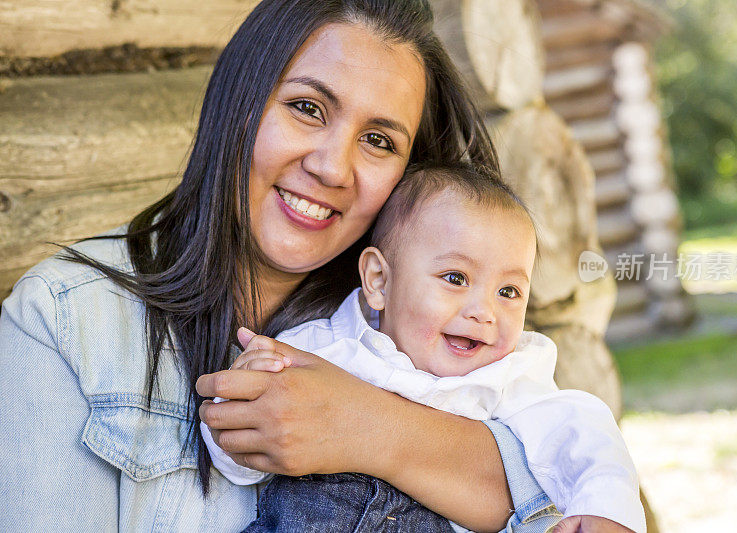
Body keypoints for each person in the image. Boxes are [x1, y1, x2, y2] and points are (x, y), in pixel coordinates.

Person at [0, 1, 634, 532]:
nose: (333, 167)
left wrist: (368, 426)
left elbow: (559, 483)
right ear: (238, 103)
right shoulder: (64, 319)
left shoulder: (430, 333)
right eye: (306, 107)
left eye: (380, 141)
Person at [201, 163, 645, 533]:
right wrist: (241, 392)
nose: (484, 311)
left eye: (509, 292)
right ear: (379, 280)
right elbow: (240, 466)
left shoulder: (510, 378)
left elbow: (584, 437)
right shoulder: (320, 351)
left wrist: (608, 512)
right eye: (456, 279)